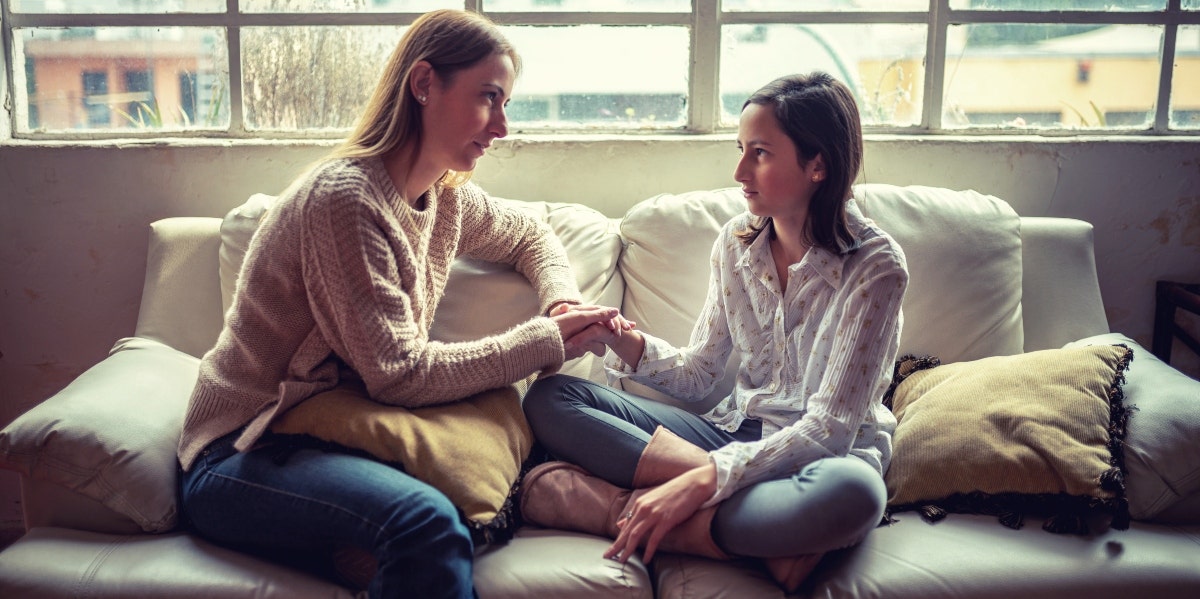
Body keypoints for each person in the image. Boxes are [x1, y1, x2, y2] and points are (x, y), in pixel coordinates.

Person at [176, 9, 621, 599]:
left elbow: (531, 236)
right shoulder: (345, 201)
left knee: (490, 480)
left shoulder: (443, 198)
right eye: (489, 98)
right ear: (423, 84)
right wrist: (545, 339)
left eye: (506, 102)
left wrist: (561, 300)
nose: (503, 127)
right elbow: (401, 375)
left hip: (329, 431)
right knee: (425, 523)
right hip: (243, 447)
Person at [520, 71, 909, 592]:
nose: (739, 171)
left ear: (818, 164)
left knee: (853, 497)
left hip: (824, 459)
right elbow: (701, 374)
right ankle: (756, 537)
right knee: (551, 398)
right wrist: (617, 338)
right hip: (731, 433)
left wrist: (707, 478)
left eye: (761, 153)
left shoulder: (876, 267)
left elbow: (829, 430)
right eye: (741, 149)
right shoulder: (735, 244)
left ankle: (619, 509)